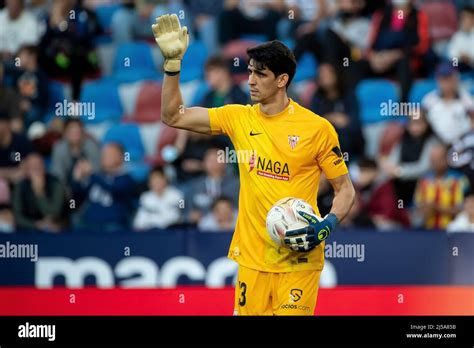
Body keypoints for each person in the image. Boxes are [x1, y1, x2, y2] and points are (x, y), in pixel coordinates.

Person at [152, 14, 355, 315]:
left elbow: (345, 190)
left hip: (298, 258)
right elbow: (174, 116)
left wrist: (327, 225)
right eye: (249, 72)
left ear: (282, 80)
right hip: (252, 259)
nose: (250, 80)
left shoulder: (317, 129)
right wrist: (172, 66)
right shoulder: (238, 118)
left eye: (260, 74)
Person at [71, 142, 136, 232]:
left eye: (109, 154)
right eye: (103, 154)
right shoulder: (95, 177)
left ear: (121, 157)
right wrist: (78, 181)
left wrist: (92, 174)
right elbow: (76, 201)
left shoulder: (126, 178)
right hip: (88, 223)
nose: (104, 157)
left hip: (113, 225)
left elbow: (114, 190)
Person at [379, 112, 439, 205]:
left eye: (419, 123)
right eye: (412, 123)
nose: (415, 127)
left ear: (426, 124)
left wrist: (400, 171)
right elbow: (393, 158)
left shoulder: (432, 142)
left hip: (420, 185)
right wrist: (389, 166)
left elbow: (424, 167)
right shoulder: (403, 139)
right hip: (400, 183)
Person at [414, 144, 468, 230]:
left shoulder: (458, 179)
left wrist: (437, 208)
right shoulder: (424, 179)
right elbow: (417, 207)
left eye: (438, 159)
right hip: (427, 231)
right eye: (432, 159)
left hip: (452, 232)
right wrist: (423, 210)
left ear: (446, 159)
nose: (434, 163)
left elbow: (463, 210)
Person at [421, 62, 473, 145]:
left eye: (449, 78)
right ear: (438, 80)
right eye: (443, 78)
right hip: (435, 142)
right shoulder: (429, 100)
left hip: (461, 143)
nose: (446, 82)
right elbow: (422, 123)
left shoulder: (467, 100)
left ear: (456, 78)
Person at [12, 152, 66, 232]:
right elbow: (17, 216)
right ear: (26, 170)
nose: (36, 169)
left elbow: (54, 213)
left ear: (44, 166)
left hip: (55, 230)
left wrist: (39, 193)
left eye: (38, 165)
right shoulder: (20, 186)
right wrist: (35, 225)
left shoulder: (55, 184)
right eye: (32, 166)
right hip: (27, 230)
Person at [51, 118, 100, 186]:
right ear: (65, 133)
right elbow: (58, 175)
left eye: (77, 131)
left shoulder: (91, 145)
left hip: (90, 184)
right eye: (71, 132)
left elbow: (100, 169)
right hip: (67, 186)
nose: (75, 134)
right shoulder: (59, 148)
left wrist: (90, 169)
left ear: (83, 132)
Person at [133, 166, 183, 230]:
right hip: (152, 232)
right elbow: (139, 220)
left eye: (159, 178)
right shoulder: (145, 198)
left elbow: (182, 212)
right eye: (153, 179)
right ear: (149, 182)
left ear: (165, 179)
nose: (156, 181)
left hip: (172, 231)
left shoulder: (178, 195)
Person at [447, 5, 474, 72]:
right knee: (452, 65)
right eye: (462, 18)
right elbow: (452, 54)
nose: (463, 20)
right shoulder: (457, 36)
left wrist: (469, 58)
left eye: (466, 17)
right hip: (460, 66)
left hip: (472, 65)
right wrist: (459, 59)